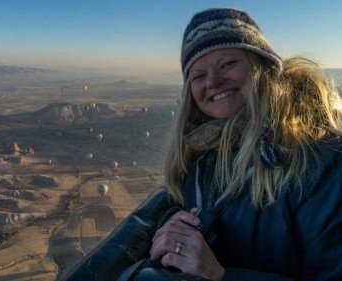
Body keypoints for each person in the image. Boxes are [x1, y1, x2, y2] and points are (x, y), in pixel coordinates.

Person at [60, 8, 342, 281]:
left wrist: (220, 275)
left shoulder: (323, 160)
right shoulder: (198, 156)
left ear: (263, 67)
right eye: (198, 75)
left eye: (228, 64)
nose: (214, 82)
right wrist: (169, 229)